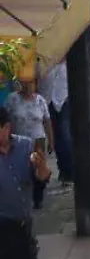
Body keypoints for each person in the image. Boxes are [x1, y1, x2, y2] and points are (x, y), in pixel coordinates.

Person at [0, 109, 42, 259]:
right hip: (2, 229)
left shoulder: (26, 147)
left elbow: (40, 177)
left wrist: (41, 168)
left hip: (23, 227)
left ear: (7, 127)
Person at [5, 76, 51, 209]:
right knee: (20, 170)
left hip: (38, 141)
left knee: (38, 169)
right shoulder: (12, 100)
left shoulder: (40, 101)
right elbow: (5, 120)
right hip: (18, 141)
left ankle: (38, 198)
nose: (28, 86)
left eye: (31, 83)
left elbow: (47, 121)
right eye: (24, 83)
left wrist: (51, 140)